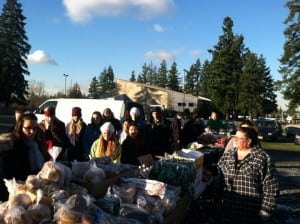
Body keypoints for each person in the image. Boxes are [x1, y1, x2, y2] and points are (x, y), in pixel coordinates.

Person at [216, 126, 278, 223]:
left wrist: (266, 209)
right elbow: (219, 176)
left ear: (248, 141)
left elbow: (271, 185)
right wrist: (217, 197)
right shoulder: (228, 155)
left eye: (238, 138)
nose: (235, 140)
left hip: (250, 213)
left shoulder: (262, 158)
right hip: (228, 210)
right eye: (234, 137)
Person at [2, 112, 45, 181]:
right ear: (20, 128)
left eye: (35, 128)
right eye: (28, 128)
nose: (32, 131)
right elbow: (10, 174)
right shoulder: (13, 147)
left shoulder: (37, 144)